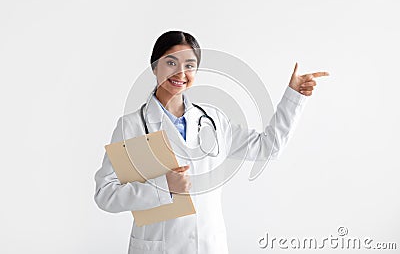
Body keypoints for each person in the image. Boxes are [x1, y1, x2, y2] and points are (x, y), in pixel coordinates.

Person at [94, 30, 329, 254]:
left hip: (210, 245)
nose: (180, 73)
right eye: (171, 63)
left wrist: (294, 97)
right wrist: (164, 186)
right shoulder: (132, 126)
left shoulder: (213, 121)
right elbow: (105, 194)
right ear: (155, 66)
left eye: (189, 66)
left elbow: (269, 147)